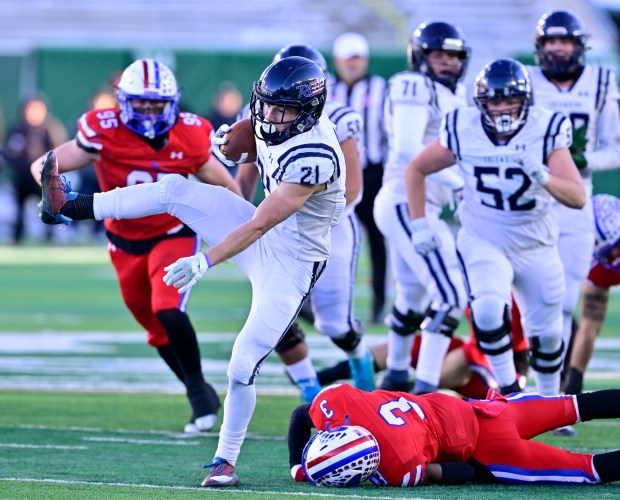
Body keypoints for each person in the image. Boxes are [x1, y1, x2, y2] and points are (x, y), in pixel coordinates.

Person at [37, 56, 345, 487]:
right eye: (267, 107)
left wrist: (204, 260)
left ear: (307, 112)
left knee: (241, 365)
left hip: (293, 262)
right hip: (262, 231)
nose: (271, 118)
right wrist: (237, 145)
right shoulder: (272, 118)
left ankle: (225, 460)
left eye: (283, 111)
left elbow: (258, 224)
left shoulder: (316, 155)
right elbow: (250, 146)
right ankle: (70, 205)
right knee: (174, 190)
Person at [30, 59, 239, 434]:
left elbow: (228, 188)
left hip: (172, 233)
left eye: (155, 103)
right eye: (140, 102)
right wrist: (50, 191)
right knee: (154, 328)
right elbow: (45, 164)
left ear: (172, 103)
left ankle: (197, 394)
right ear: (123, 100)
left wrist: (241, 231)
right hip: (123, 240)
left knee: (168, 308)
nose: (147, 110)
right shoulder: (103, 129)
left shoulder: (190, 134)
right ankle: (200, 389)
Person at [406, 58, 586, 398]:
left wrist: (545, 177)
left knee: (548, 333)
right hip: (483, 236)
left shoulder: (546, 128)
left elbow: (577, 197)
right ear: (481, 103)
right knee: (487, 310)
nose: (502, 108)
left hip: (535, 243)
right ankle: (511, 396)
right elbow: (416, 168)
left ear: (526, 101)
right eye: (494, 101)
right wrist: (419, 224)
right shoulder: (462, 125)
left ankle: (551, 401)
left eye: (510, 100)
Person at [267, 43, 374, 399]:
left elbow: (353, 188)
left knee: (335, 324)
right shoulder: (264, 113)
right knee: (272, 309)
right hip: (281, 225)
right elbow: (250, 169)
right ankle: (309, 389)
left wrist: (309, 212)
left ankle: (361, 361)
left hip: (330, 226)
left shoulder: (339, 117)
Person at [375, 20, 470, 394]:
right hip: (406, 202)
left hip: (422, 203)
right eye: (437, 53)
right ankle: (426, 386)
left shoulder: (456, 96)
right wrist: (460, 184)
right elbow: (406, 148)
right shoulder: (413, 85)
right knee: (450, 296)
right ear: (420, 55)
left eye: (452, 55)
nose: (446, 61)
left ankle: (397, 372)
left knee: (413, 299)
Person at [527, 9, 620, 389]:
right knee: (525, 300)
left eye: (566, 41)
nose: (560, 49)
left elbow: (616, 147)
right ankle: (516, 382)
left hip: (576, 199)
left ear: (579, 46)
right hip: (530, 198)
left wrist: (582, 160)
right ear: (541, 47)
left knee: (564, 300)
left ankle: (552, 391)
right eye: (552, 41)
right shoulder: (526, 82)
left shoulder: (599, 82)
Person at [287, 383, 620, 486]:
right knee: (580, 405)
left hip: (489, 450)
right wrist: (297, 466)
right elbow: (301, 415)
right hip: (485, 409)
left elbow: (462, 471)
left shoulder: (397, 467)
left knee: (587, 469)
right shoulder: (339, 403)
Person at [330, 32, 388, 324]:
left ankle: (378, 303)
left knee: (377, 240)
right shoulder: (326, 88)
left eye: (358, 58)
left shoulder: (380, 88)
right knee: (335, 239)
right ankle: (334, 302)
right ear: (337, 61)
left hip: (373, 173)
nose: (353, 64)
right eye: (348, 58)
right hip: (336, 175)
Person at [316, 333, 497, 399]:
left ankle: (397, 393)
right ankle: (316, 379)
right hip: (455, 344)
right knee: (392, 349)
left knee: (440, 370)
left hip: (486, 373)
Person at [565, 194, 620, 394]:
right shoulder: (599, 266)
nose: (614, 257)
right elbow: (590, 324)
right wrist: (574, 383)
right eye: (609, 252)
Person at [6, 94, 67, 243]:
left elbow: (60, 151)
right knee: (19, 209)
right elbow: (11, 153)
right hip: (23, 179)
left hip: (44, 179)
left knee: (49, 207)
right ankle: (17, 237)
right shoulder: (18, 129)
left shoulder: (51, 128)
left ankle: (49, 237)